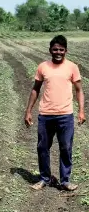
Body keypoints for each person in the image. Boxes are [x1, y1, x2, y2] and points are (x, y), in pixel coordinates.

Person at [24, 35, 85, 191]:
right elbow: (35, 89)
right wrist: (28, 111)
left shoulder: (72, 67)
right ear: (50, 50)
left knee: (66, 148)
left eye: (61, 49)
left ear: (66, 51)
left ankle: (65, 180)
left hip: (66, 115)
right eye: (55, 49)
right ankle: (44, 178)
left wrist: (81, 111)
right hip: (45, 115)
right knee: (42, 147)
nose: (58, 52)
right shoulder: (43, 67)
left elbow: (79, 91)